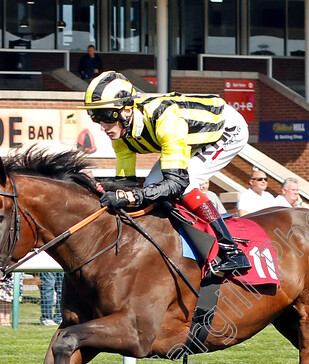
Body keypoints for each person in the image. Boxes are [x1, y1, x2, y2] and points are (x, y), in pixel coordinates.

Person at [83, 71, 250, 274]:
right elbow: (125, 183)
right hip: (193, 135)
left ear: (127, 111)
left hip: (227, 130)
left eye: (105, 116)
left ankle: (231, 250)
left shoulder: (165, 118)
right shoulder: (119, 133)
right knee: (151, 186)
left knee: (186, 183)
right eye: (94, 117)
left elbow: (176, 183)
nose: (102, 126)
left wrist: (132, 196)